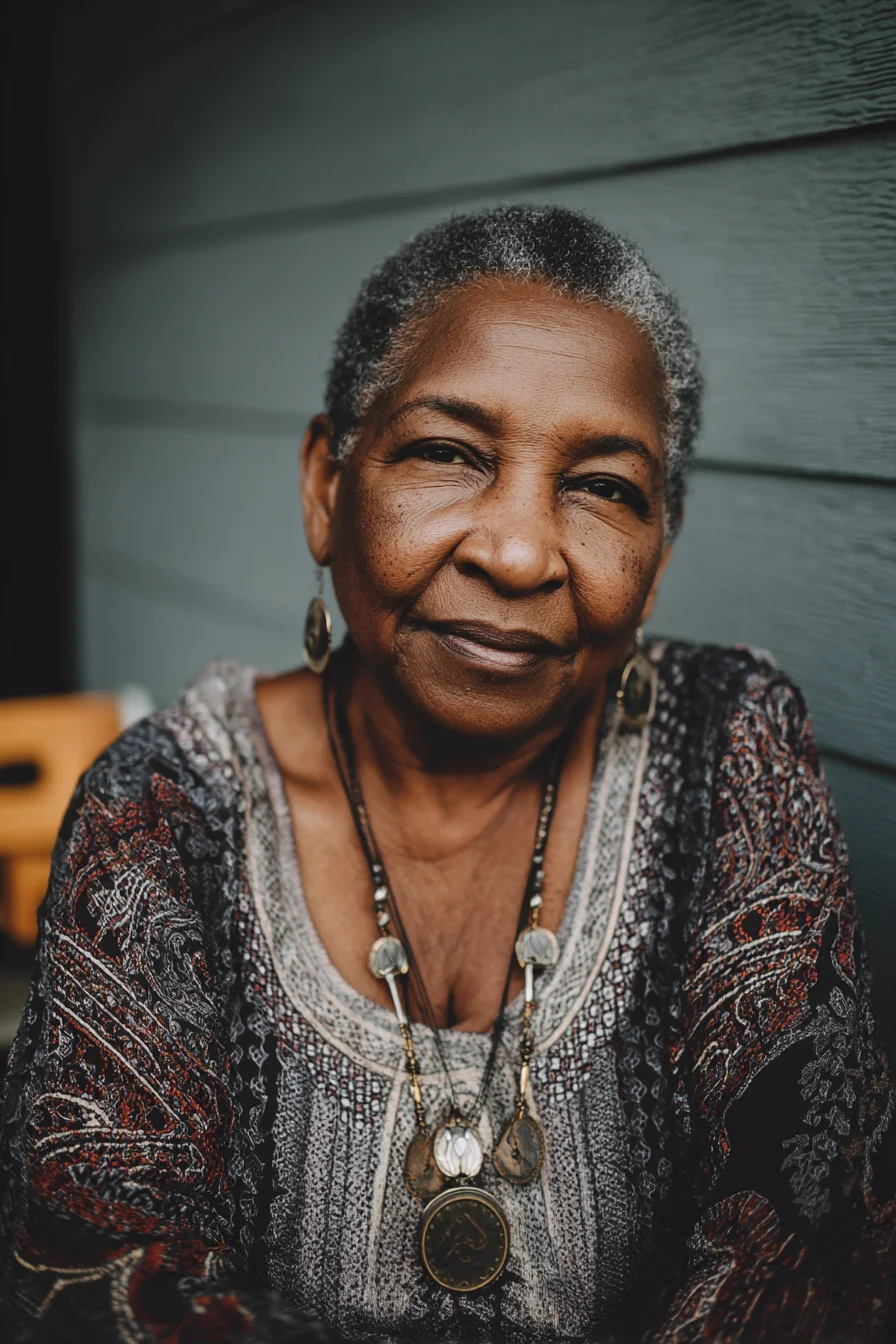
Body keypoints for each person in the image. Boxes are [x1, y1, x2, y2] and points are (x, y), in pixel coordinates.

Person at [0, 205, 892, 1343]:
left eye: (604, 487)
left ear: (655, 562)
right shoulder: (165, 813)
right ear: (328, 483)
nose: (518, 551)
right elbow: (96, 1284)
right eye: (448, 452)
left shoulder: (728, 754)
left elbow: (797, 1246)